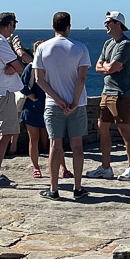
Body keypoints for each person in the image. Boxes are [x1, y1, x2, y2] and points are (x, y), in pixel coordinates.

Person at [34, 11, 92, 200]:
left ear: (53, 27)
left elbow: (39, 79)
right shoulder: (80, 48)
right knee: (77, 146)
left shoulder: (42, 48)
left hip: (53, 105)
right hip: (78, 104)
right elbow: (81, 78)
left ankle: (54, 189)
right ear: (69, 27)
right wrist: (74, 101)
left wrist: (58, 99)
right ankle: (78, 188)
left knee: (55, 145)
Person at [88, 11, 130, 182]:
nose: (106, 25)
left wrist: (108, 67)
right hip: (107, 92)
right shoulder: (107, 44)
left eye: (108, 22)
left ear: (118, 24)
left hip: (120, 94)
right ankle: (105, 167)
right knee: (102, 127)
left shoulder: (126, 44)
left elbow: (112, 67)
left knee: (124, 129)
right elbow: (99, 66)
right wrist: (108, 67)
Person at [0, 13, 32, 188]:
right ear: (9, 25)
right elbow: (20, 67)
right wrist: (15, 63)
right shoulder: (0, 43)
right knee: (5, 134)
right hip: (3, 93)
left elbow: (13, 66)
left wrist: (12, 66)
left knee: (0, 134)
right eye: (13, 25)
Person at [18, 47, 49, 179]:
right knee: (34, 138)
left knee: (53, 139)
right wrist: (31, 96)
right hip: (32, 108)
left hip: (48, 106)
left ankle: (60, 166)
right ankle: (36, 167)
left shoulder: (50, 67)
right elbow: (22, 85)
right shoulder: (30, 68)